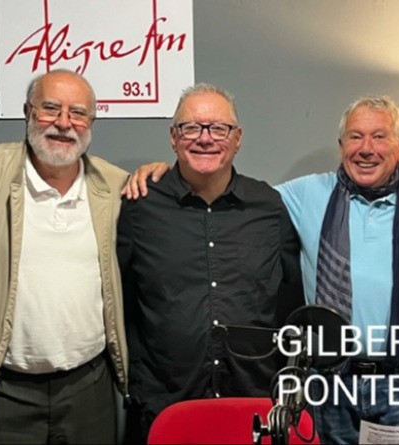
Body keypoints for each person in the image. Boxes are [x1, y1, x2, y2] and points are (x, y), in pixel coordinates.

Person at [0, 69, 129, 444]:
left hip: (89, 387)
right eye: (50, 108)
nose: (64, 123)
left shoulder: (116, 186)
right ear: (28, 112)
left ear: (91, 122)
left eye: (78, 113)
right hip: (2, 391)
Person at [117, 83, 303, 442]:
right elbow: (120, 298)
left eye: (219, 128)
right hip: (165, 405)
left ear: (237, 139)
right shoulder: (140, 205)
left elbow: (290, 297)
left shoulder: (269, 206)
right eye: (191, 128)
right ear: (174, 137)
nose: (205, 138)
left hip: (251, 403)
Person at [274, 95, 399, 444]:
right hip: (327, 381)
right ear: (341, 146)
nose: (366, 149)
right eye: (355, 136)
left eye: (379, 136)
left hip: (398, 381)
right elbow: (242, 198)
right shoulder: (307, 193)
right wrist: (171, 173)